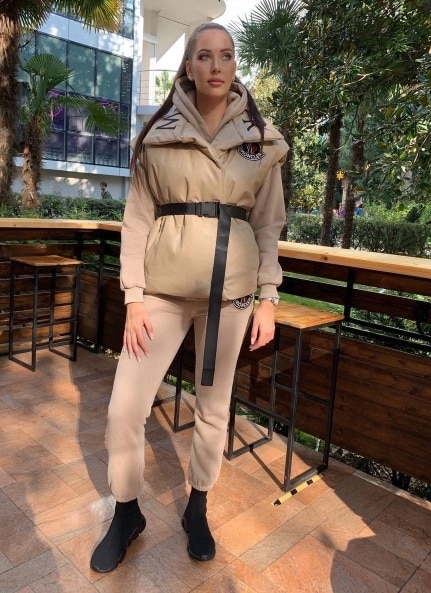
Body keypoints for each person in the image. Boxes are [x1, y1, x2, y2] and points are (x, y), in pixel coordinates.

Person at [90, 22, 288, 573]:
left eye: (226, 55)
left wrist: (268, 296)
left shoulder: (260, 138)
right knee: (125, 407)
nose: (216, 65)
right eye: (204, 55)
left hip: (232, 294)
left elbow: (269, 224)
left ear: (234, 63)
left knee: (214, 405)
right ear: (189, 66)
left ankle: (197, 505)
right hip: (161, 292)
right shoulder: (158, 135)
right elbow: (136, 221)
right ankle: (126, 512)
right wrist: (133, 298)